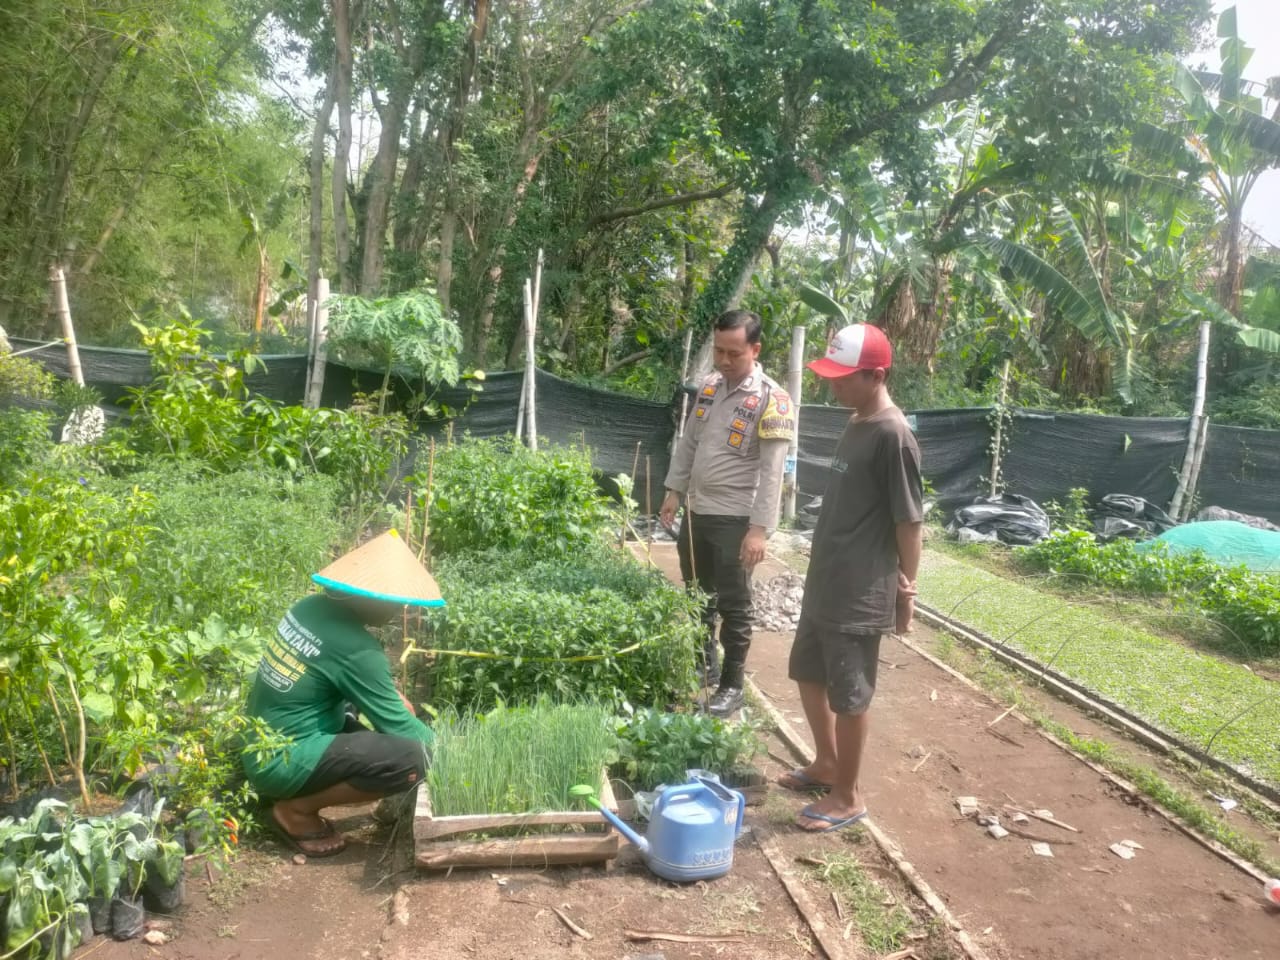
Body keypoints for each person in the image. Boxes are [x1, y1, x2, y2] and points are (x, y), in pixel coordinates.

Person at [777, 323, 923, 832]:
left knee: (850, 693)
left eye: (844, 378)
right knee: (807, 672)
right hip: (827, 579)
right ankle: (827, 763)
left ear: (877, 375)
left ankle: (848, 796)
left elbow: (909, 522)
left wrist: (907, 586)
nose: (833, 386)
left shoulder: (893, 436)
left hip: (860, 588)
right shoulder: (858, 419)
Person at [241, 530, 442, 857]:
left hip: (263, 743)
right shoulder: (357, 649)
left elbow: (340, 672)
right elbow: (402, 729)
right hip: (281, 762)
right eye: (394, 600)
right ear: (369, 597)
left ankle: (298, 793)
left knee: (387, 723)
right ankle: (295, 811)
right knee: (416, 757)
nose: (400, 609)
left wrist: (388, 698)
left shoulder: (310, 608)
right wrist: (457, 757)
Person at [659, 309, 794, 717]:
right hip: (698, 511)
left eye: (733, 353)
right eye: (718, 350)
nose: (723, 360)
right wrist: (673, 490)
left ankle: (733, 685)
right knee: (699, 592)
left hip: (736, 518)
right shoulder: (710, 387)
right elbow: (689, 444)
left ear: (755, 349)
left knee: (735, 603)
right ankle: (706, 663)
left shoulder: (773, 399)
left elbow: (773, 474)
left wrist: (759, 531)